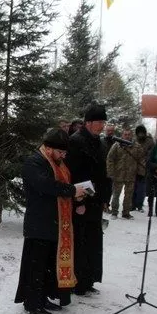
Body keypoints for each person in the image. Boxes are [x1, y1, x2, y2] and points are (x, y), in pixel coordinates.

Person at [14, 128, 86, 314]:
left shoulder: (56, 162)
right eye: (60, 152)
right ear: (49, 148)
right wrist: (71, 191)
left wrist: (76, 194)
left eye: (64, 153)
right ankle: (32, 303)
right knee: (36, 265)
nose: (63, 156)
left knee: (47, 265)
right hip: (39, 223)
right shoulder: (34, 162)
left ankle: (42, 297)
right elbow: (45, 185)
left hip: (54, 223)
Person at [65, 103, 108, 296]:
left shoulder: (100, 142)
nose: (103, 125)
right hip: (82, 200)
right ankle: (78, 281)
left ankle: (89, 278)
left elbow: (104, 173)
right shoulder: (76, 141)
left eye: (104, 122)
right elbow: (73, 174)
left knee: (93, 241)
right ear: (89, 122)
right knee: (80, 241)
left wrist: (106, 196)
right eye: (100, 122)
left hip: (96, 200)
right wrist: (79, 201)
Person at [106, 128, 142, 219]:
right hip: (118, 173)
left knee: (128, 195)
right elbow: (110, 159)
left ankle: (126, 213)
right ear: (122, 135)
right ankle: (114, 212)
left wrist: (140, 172)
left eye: (129, 134)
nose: (127, 136)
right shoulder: (116, 145)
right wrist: (110, 172)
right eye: (125, 134)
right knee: (116, 194)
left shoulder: (136, 146)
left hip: (131, 174)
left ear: (132, 135)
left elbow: (141, 160)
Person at [132, 125, 155, 212]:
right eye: (139, 133)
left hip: (144, 167)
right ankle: (132, 204)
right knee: (133, 187)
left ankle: (139, 204)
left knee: (141, 188)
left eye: (142, 133)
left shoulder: (149, 142)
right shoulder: (134, 141)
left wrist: (145, 161)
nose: (141, 135)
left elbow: (151, 154)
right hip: (134, 167)